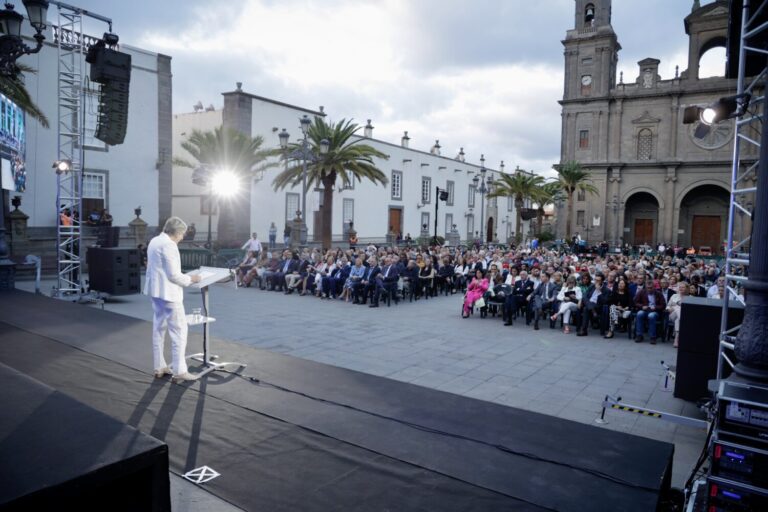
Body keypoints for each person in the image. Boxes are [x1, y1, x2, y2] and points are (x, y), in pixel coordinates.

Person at [143, 217, 201, 382]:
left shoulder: (155, 240)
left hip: (156, 291)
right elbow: (174, 275)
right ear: (176, 232)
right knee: (179, 331)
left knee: (159, 328)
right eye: (182, 234)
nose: (182, 238)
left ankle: (159, 367)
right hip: (169, 294)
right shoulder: (169, 245)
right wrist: (191, 279)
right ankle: (180, 371)